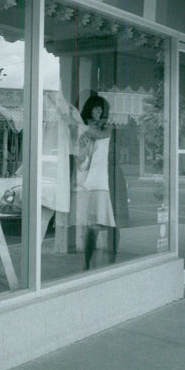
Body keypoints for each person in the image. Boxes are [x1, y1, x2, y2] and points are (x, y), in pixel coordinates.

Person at [74, 95, 116, 270]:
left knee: (99, 225)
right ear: (89, 108)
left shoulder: (106, 128)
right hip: (84, 183)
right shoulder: (83, 130)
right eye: (96, 108)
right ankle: (86, 264)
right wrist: (82, 140)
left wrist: (82, 128)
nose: (99, 112)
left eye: (102, 109)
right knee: (90, 226)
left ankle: (101, 262)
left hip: (101, 182)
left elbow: (101, 134)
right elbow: (78, 159)